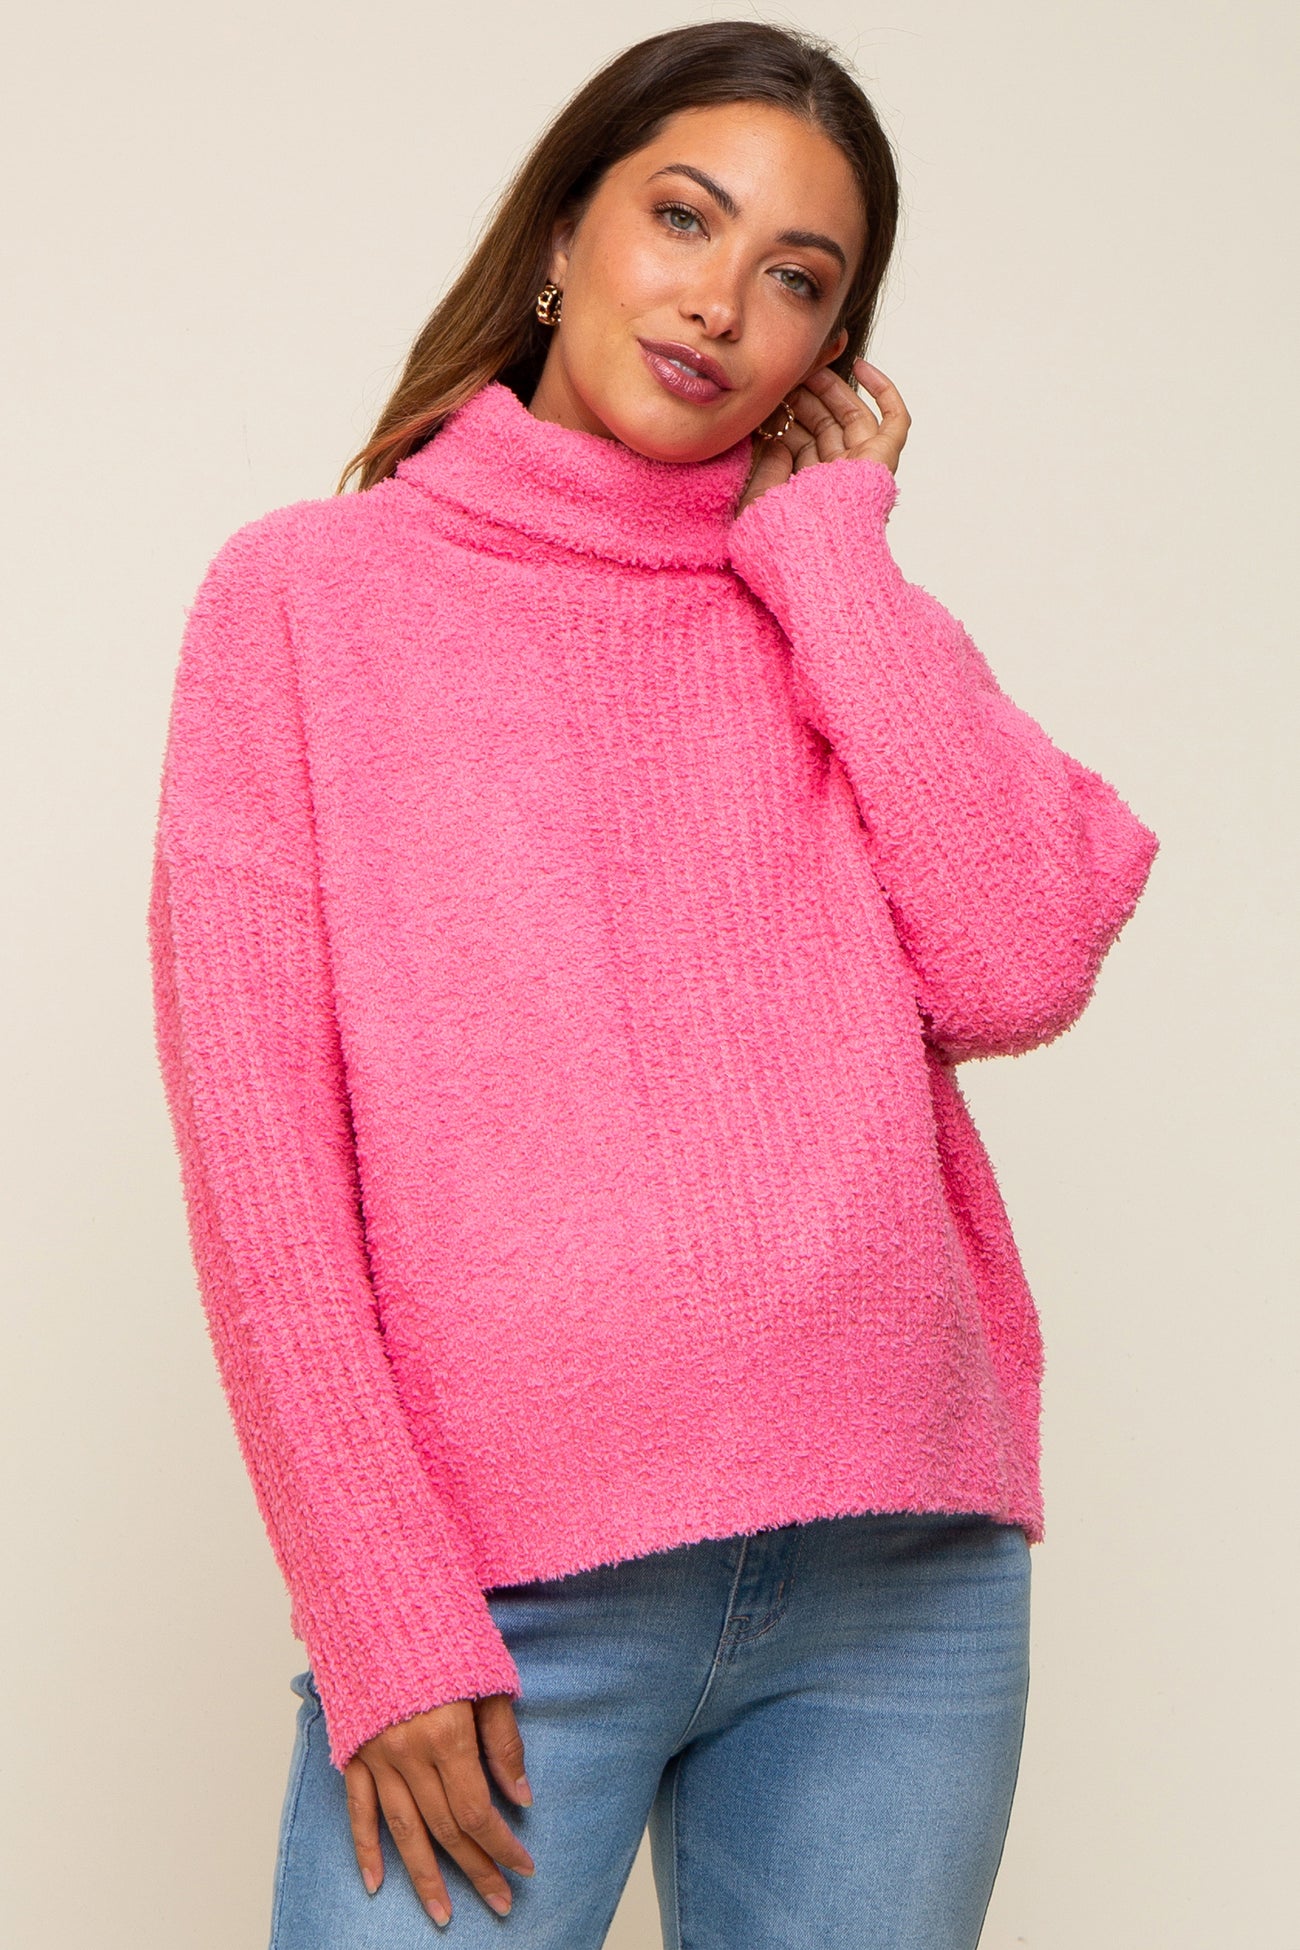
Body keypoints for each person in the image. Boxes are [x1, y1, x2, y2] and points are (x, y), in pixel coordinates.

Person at [147, 20, 1159, 1949]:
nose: (720, 303)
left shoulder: (834, 607)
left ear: (834, 350)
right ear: (560, 235)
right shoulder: (306, 598)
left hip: (897, 1581)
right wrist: (377, 1601)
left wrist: (830, 551)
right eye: (684, 219)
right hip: (508, 1597)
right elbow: (261, 1154)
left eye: (798, 277)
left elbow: (1021, 960)